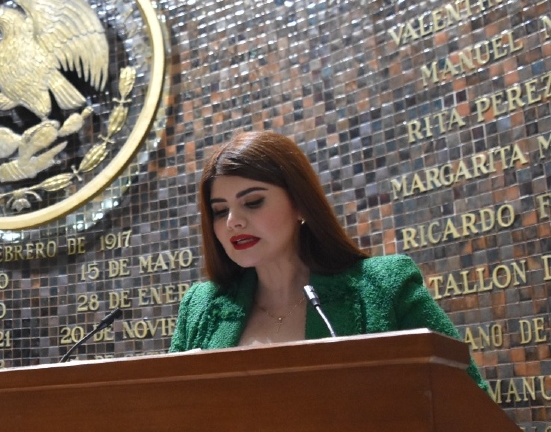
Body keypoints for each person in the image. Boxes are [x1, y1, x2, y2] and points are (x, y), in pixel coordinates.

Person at [169, 130, 487, 391]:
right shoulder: (201, 307)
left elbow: (471, 405)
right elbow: (164, 419)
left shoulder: (385, 287)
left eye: (253, 202)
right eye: (220, 210)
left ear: (301, 206)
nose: (233, 222)